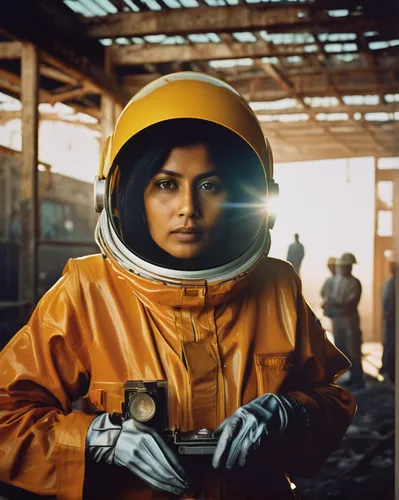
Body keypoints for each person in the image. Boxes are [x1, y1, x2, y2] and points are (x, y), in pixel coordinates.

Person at [0, 73, 356, 500]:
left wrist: (291, 413)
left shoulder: (277, 289)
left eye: (209, 185)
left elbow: (331, 400)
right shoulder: (89, 291)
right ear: (123, 197)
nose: (188, 208)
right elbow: (6, 416)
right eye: (166, 184)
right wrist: (97, 439)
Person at [326, 252, 365, 390]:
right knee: (342, 350)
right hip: (338, 320)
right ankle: (349, 377)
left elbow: (349, 301)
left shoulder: (355, 282)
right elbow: (331, 297)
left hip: (349, 321)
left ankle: (358, 379)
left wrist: (335, 303)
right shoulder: (337, 281)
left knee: (353, 350)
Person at [379, 253, 396, 384]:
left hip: (390, 319)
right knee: (391, 345)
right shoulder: (392, 283)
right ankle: (389, 372)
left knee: (389, 344)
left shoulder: (389, 282)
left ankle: (386, 369)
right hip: (392, 319)